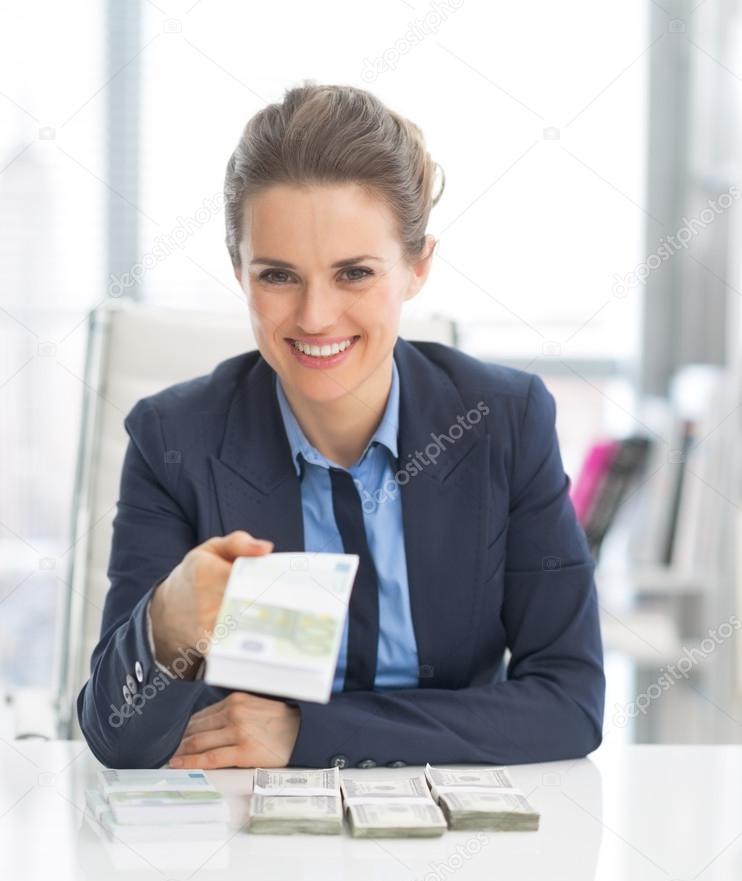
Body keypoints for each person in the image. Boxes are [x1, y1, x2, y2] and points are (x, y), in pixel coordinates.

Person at [77, 81, 605, 771]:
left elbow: (570, 702)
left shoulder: (504, 422)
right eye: (278, 275)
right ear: (239, 270)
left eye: (354, 272)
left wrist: (307, 733)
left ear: (417, 266)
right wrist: (166, 626)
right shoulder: (173, 440)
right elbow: (118, 741)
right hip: (250, 854)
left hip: (461, 848)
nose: (316, 317)